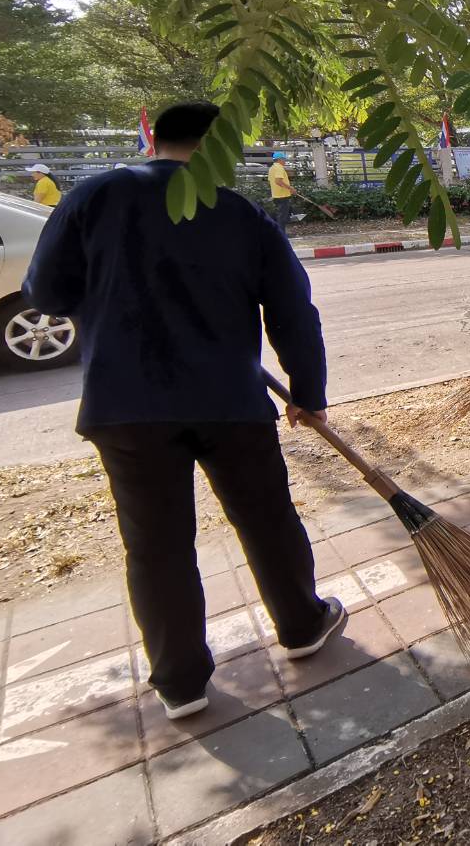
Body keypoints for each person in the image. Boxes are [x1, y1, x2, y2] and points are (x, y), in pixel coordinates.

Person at [22, 101, 345, 721]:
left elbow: (46, 292)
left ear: (159, 140)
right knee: (266, 518)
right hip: (229, 399)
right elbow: (293, 312)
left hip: (126, 405)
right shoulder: (241, 214)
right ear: (219, 148)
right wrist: (308, 393)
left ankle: (180, 682)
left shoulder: (92, 196)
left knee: (156, 543)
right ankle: (303, 625)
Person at [268, 150, 295, 234]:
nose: (285, 161)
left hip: (276, 195)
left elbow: (271, 181)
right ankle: (281, 234)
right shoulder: (279, 168)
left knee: (281, 215)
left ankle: (280, 233)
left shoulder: (272, 168)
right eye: (284, 159)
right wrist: (290, 188)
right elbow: (278, 181)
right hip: (282, 195)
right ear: (280, 159)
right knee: (282, 217)